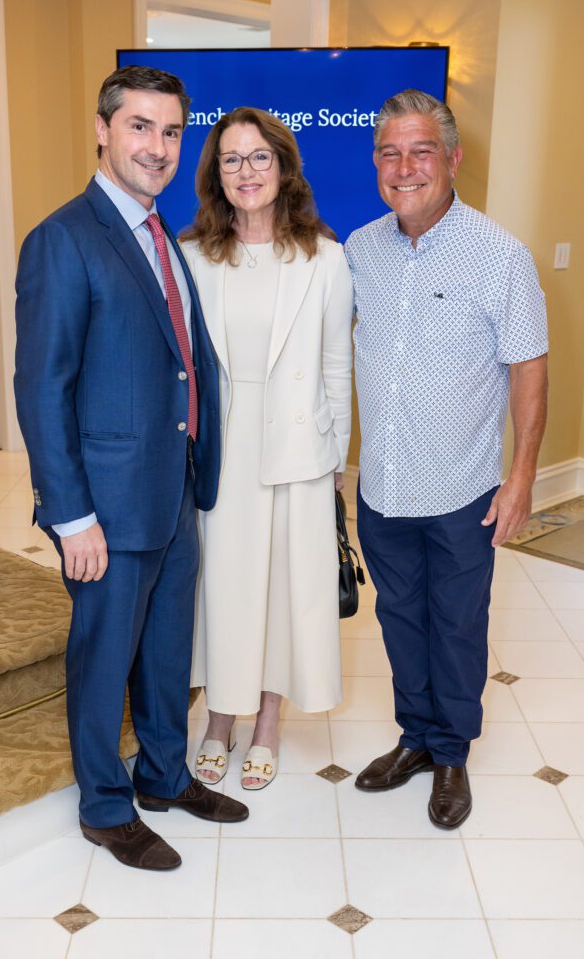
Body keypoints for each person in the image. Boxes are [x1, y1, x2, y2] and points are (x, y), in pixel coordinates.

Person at [14, 65, 248, 872]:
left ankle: (164, 775)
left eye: (172, 131)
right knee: (103, 654)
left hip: (172, 488)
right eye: (141, 127)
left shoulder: (157, 231)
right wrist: (70, 514)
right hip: (106, 506)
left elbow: (180, 365)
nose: (157, 146)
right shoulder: (63, 238)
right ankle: (105, 806)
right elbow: (42, 388)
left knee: (163, 651)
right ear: (102, 129)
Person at [346, 89, 548, 828]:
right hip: (382, 488)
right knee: (399, 617)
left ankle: (452, 753)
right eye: (389, 152)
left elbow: (528, 367)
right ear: (375, 163)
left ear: (452, 159)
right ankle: (415, 738)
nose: (404, 167)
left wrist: (521, 477)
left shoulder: (498, 255)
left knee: (456, 622)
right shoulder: (359, 249)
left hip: (463, 488)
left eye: (420, 151)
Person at [180, 107, 353, 789]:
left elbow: (336, 364)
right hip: (222, 448)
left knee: (286, 590)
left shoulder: (325, 258)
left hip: (296, 450)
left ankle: (268, 726)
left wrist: (334, 457)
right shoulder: (191, 256)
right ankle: (219, 719)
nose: (245, 171)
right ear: (215, 174)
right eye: (230, 159)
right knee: (221, 590)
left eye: (258, 158)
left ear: (283, 169)